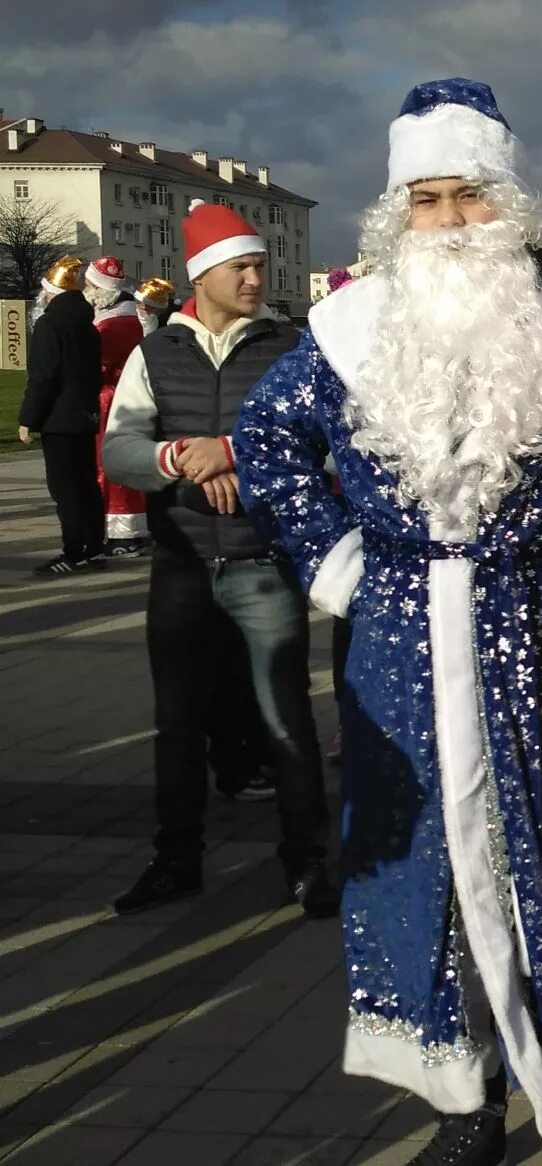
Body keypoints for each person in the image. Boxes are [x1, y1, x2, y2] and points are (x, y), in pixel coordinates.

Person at [234, 78, 542, 1166]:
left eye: (468, 196)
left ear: (508, 200)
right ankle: (463, 1103)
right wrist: (339, 564)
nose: (450, 223)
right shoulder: (351, 331)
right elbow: (266, 440)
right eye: (426, 201)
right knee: (424, 877)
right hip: (399, 646)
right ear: (395, 213)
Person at [99, 199, 335, 920]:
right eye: (243, 266)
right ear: (202, 274)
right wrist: (179, 458)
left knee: (284, 719)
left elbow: (319, 440)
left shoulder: (290, 348)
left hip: (263, 562)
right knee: (178, 723)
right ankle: (176, 860)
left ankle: (306, 861)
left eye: (261, 264)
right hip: (183, 564)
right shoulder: (155, 353)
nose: (258, 278)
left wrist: (232, 452)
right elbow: (118, 449)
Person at [18, 254, 105, 575]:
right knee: (87, 485)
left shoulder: (49, 324)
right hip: (84, 414)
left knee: (65, 489)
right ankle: (95, 547)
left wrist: (28, 418)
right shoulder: (88, 326)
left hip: (58, 418)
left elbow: (43, 375)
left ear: (48, 293)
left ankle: (74, 551)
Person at [84, 257, 151, 557]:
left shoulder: (107, 326)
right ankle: (137, 526)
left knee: (107, 465)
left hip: (110, 399)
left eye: (88, 285)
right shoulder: (133, 318)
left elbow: (98, 366)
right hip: (134, 397)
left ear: (99, 290)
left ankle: (121, 531)